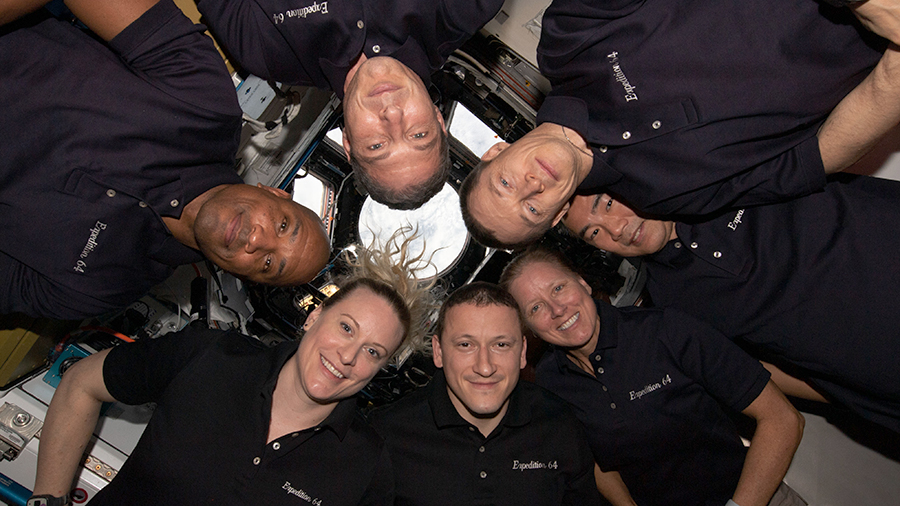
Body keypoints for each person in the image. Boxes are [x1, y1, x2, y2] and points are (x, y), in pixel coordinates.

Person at [26, 232, 439, 506]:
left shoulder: (366, 465)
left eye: (372, 351)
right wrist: (47, 500)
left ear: (380, 369)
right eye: (346, 327)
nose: (348, 356)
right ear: (314, 317)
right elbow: (81, 383)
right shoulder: (209, 356)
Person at [460, 0, 900, 250]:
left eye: (505, 184)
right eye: (532, 210)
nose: (532, 186)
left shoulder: (566, 41)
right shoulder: (667, 197)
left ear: (496, 150)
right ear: (557, 216)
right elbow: (815, 157)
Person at [0, 0, 331, 321]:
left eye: (268, 264)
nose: (257, 240)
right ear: (275, 193)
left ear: (247, 278)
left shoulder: (101, 288)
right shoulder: (205, 103)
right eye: (283, 225)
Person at [560, 173, 900, 433]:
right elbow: (753, 368)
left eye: (605, 205)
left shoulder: (713, 170)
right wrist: (846, 390)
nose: (614, 231)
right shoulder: (671, 305)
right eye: (594, 233)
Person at [500, 248, 805, 506]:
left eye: (558, 288)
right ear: (528, 327)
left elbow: (782, 419)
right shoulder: (552, 381)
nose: (556, 309)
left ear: (582, 283)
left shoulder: (666, 330)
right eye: (536, 307)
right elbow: (594, 457)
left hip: (753, 497)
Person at [193, 0, 504, 210]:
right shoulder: (464, 8)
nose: (392, 115)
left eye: (378, 145)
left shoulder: (265, 53)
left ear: (348, 143)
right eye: (419, 135)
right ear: (438, 118)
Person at [369, 282, 603, 506]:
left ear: (522, 352)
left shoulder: (559, 424)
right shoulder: (386, 435)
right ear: (438, 352)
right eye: (465, 345)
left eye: (500, 345)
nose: (484, 367)